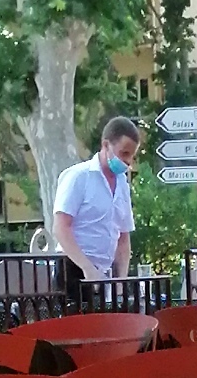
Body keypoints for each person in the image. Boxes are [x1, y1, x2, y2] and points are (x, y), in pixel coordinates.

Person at [52, 114, 139, 286]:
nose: (128, 161)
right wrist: (87, 268)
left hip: (106, 272)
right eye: (124, 153)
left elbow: (123, 236)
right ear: (106, 145)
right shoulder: (78, 176)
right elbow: (61, 227)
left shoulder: (122, 183)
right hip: (73, 268)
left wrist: (121, 280)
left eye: (132, 156)